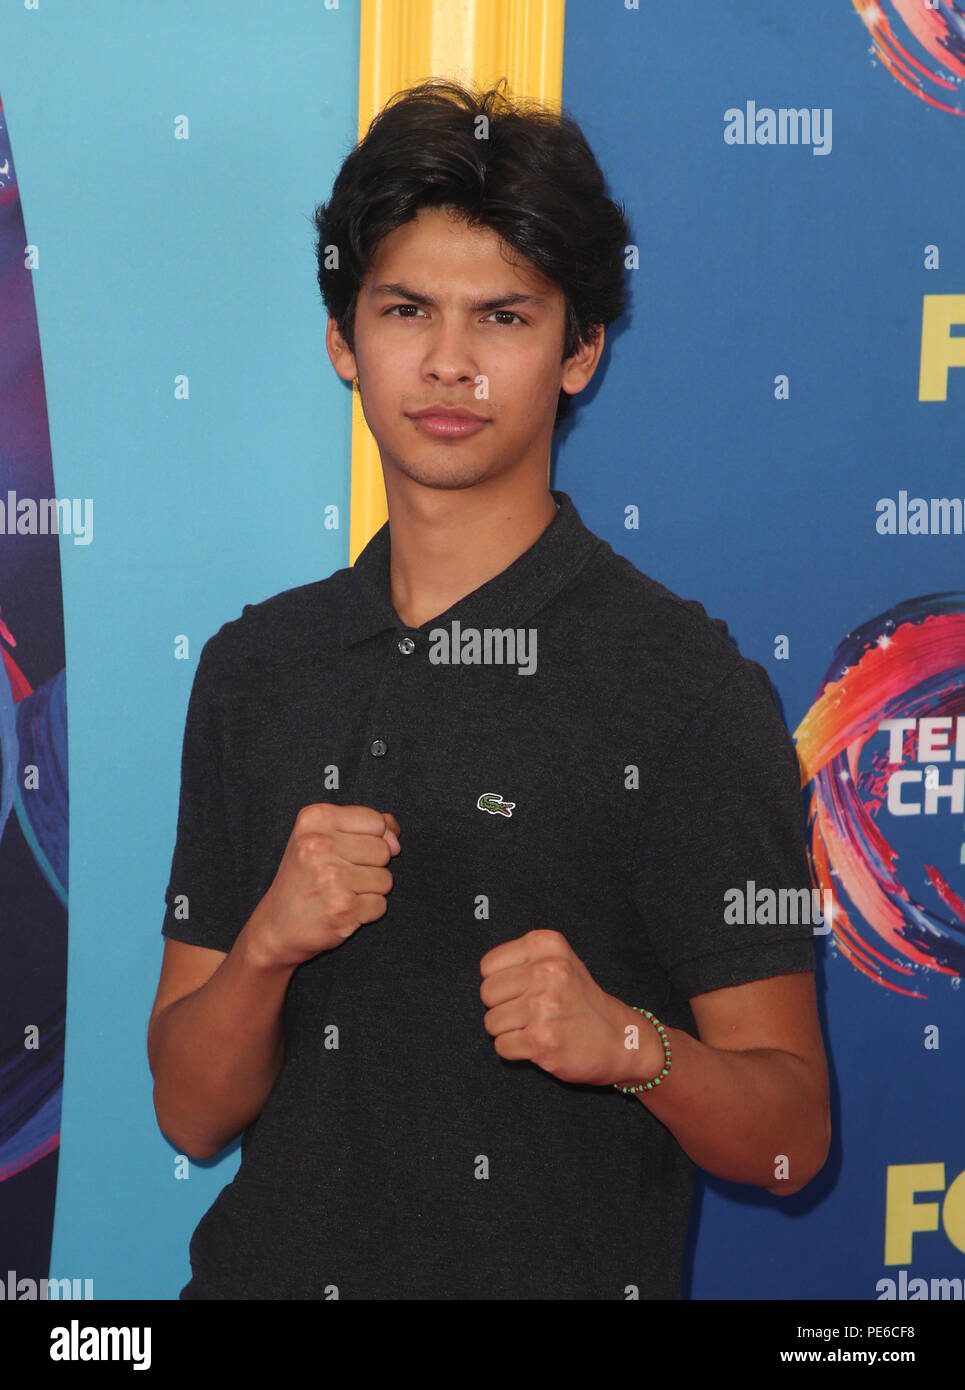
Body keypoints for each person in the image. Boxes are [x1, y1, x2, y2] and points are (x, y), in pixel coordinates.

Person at [148, 78, 830, 1301]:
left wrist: (630, 1046)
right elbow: (192, 1118)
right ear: (341, 339)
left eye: (503, 318)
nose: (450, 363)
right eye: (406, 308)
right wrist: (262, 950)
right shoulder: (255, 669)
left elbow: (791, 1139)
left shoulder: (685, 687)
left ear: (579, 351)